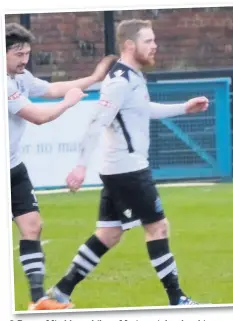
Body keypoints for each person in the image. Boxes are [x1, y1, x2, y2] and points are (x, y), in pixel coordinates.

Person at [48, 19, 209, 307]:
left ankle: (61, 292)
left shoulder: (133, 76)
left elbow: (144, 109)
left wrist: (184, 107)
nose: (155, 45)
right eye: (149, 41)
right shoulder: (119, 81)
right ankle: (178, 300)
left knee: (109, 234)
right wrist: (80, 165)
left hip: (120, 169)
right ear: (130, 46)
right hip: (129, 170)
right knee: (157, 228)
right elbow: (97, 122)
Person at [6, 22, 118, 311]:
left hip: (13, 166)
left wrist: (93, 78)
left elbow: (52, 88)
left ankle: (37, 299)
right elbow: (38, 116)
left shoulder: (19, 77)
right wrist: (69, 104)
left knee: (32, 225)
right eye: (19, 55)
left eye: (27, 53)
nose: (24, 60)